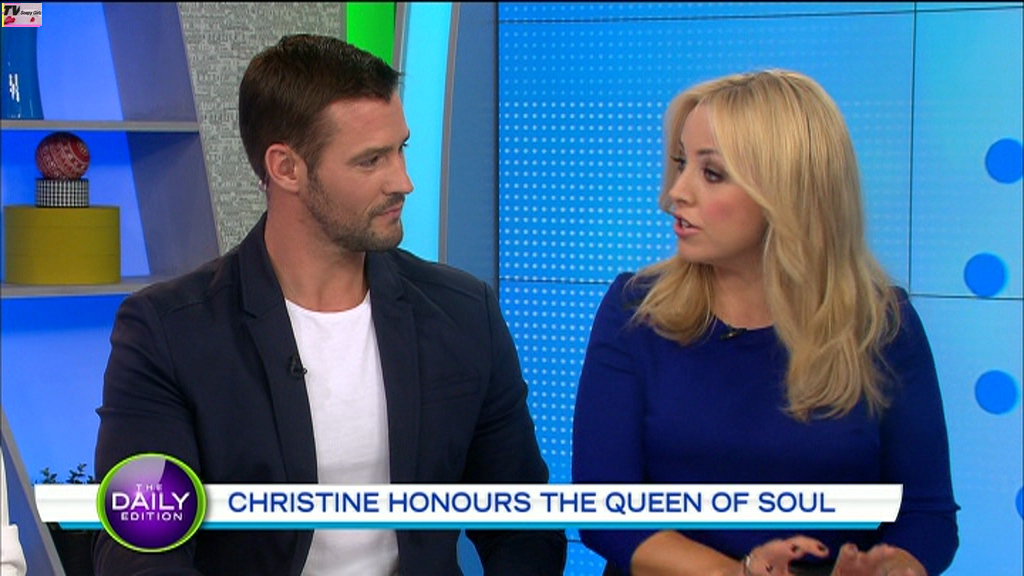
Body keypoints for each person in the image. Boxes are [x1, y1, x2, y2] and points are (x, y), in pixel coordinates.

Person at [93, 34, 566, 576]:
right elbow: (140, 548)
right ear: (286, 168)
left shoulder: (463, 314)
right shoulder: (168, 332)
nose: (404, 182)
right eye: (371, 160)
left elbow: (524, 525)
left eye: (401, 149)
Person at [572, 70, 958, 576]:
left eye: (712, 173)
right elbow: (605, 510)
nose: (674, 194)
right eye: (681, 163)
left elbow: (926, 515)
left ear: (788, 191)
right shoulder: (635, 311)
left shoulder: (881, 325)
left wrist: (892, 569)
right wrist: (740, 573)